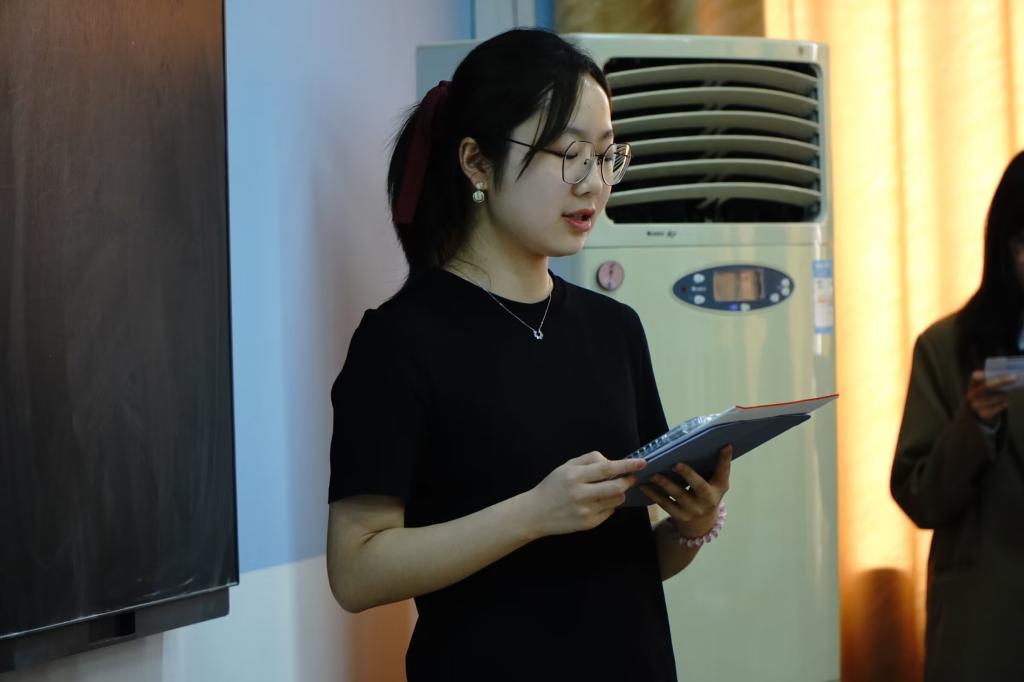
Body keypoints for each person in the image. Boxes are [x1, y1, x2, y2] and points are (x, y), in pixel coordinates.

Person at [325, 28, 731, 681]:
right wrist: (534, 514)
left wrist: (692, 524)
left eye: (606, 156)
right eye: (570, 154)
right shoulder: (400, 341)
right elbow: (355, 571)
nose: (594, 184)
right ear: (477, 163)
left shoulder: (615, 328)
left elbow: (626, 565)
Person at [890, 150, 1024, 682]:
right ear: (1006, 246)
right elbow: (918, 497)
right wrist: (975, 426)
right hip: (985, 626)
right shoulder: (946, 349)